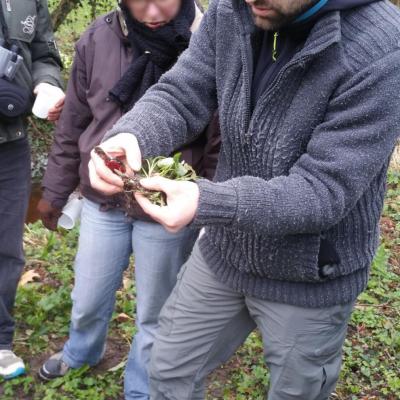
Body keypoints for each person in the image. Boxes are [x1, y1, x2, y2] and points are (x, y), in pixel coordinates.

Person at [89, 0, 400, 398]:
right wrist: (132, 135)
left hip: (307, 275)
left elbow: (323, 191)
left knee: (295, 392)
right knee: (166, 370)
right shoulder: (232, 10)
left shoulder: (381, 47)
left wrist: (207, 202)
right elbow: (184, 90)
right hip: (225, 252)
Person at [38, 1, 234, 399]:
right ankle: (82, 350)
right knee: (88, 293)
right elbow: (75, 119)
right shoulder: (100, 37)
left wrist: (209, 209)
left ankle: (141, 388)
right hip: (102, 199)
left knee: (156, 311)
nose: (152, 9)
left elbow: (219, 141)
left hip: (164, 206)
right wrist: (55, 191)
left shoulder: (207, 40)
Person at [0, 0, 63, 380]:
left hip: (11, 141)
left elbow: (45, 54)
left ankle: (0, 340)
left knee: (7, 248)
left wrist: (46, 84)